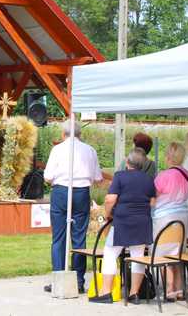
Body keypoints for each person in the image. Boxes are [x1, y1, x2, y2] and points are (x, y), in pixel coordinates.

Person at [90, 148, 156, 304]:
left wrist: (107, 214)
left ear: (127, 163)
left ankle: (106, 292)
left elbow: (110, 199)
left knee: (111, 253)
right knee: (138, 256)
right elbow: (153, 202)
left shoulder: (120, 177)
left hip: (122, 221)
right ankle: (134, 294)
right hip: (142, 222)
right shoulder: (149, 179)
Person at [44, 119, 102, 294]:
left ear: (63, 134)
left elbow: (47, 176)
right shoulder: (89, 150)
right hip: (81, 192)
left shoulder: (57, 149)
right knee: (79, 237)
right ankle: (78, 280)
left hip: (61, 191)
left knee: (59, 237)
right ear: (80, 134)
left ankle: (59, 279)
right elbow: (98, 178)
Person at [152, 142, 188, 301]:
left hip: (165, 217)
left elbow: (153, 196)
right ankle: (180, 289)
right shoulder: (187, 174)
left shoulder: (163, 175)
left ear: (168, 156)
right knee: (177, 254)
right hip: (183, 215)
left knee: (164, 254)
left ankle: (169, 289)